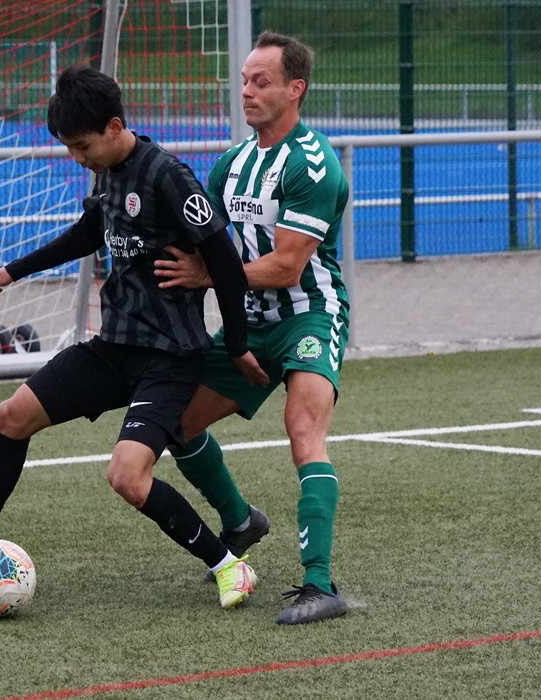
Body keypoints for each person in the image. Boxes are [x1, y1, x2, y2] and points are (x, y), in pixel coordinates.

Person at [0, 64, 269, 609]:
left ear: (115, 126)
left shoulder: (168, 176)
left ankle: (229, 566)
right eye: (70, 147)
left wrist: (236, 343)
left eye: (82, 146)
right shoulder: (108, 171)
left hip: (170, 357)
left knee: (126, 476)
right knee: (11, 416)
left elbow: (225, 258)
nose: (77, 157)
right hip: (114, 347)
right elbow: (88, 233)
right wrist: (15, 270)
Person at [154, 31, 351, 625]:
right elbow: (202, 244)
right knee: (178, 425)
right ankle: (241, 520)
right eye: (243, 81)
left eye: (261, 82)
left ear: (296, 89)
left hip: (309, 315)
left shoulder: (312, 163)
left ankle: (320, 584)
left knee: (302, 430)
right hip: (251, 321)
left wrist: (207, 276)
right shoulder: (232, 164)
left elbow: (286, 266)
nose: (246, 91)